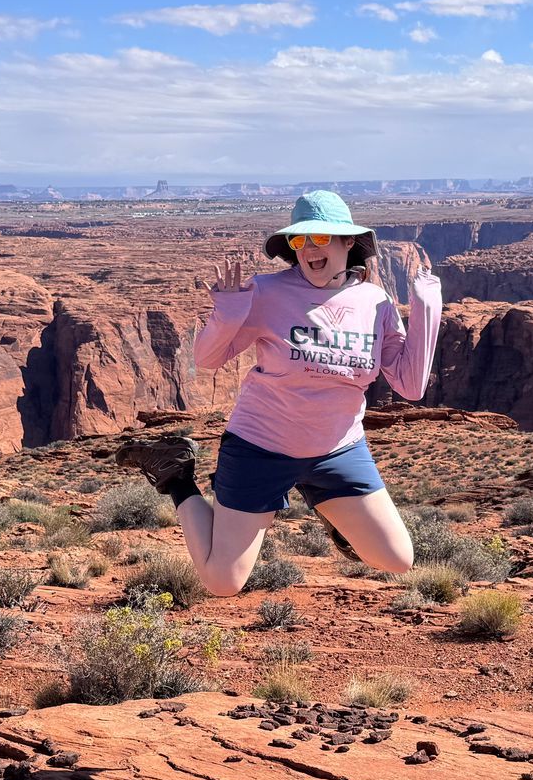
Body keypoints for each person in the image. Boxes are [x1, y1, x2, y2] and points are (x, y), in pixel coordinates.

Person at [116, 190, 443, 596]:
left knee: (397, 559)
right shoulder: (266, 292)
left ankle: (329, 508)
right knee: (223, 583)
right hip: (261, 447)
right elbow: (207, 360)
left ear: (348, 242)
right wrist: (228, 314)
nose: (308, 248)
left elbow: (410, 386)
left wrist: (428, 309)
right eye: (299, 240)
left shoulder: (375, 302)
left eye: (320, 238)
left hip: (337, 450)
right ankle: (175, 476)